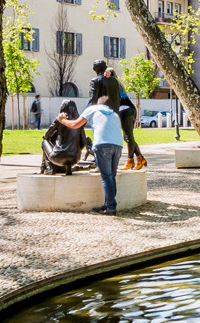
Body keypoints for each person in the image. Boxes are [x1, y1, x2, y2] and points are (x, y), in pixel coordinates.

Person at [90, 60, 144, 168]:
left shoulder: (112, 83)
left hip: (125, 110)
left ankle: (130, 160)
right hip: (129, 109)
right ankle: (139, 158)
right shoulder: (117, 83)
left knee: (128, 137)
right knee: (128, 137)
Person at [83, 83, 126, 213]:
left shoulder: (93, 109)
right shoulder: (114, 114)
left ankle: (111, 207)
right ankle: (108, 204)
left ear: (97, 103)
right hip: (118, 146)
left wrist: (62, 120)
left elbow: (76, 124)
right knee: (111, 176)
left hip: (102, 145)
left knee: (106, 177)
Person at [40, 98, 86, 174]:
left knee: (44, 142)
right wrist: (76, 150)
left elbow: (46, 135)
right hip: (75, 158)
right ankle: (68, 167)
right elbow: (84, 142)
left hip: (58, 156)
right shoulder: (78, 122)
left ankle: (49, 168)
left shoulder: (60, 119)